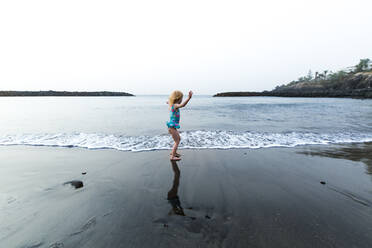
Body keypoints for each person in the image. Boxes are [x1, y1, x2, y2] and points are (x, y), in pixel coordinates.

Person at [167, 90, 193, 161]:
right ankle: (172, 156)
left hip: (172, 127)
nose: (182, 100)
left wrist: (168, 102)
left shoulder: (172, 105)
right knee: (177, 141)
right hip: (172, 127)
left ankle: (174, 153)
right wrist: (189, 98)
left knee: (178, 139)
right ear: (178, 98)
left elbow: (169, 102)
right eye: (181, 98)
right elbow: (183, 105)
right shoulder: (175, 105)